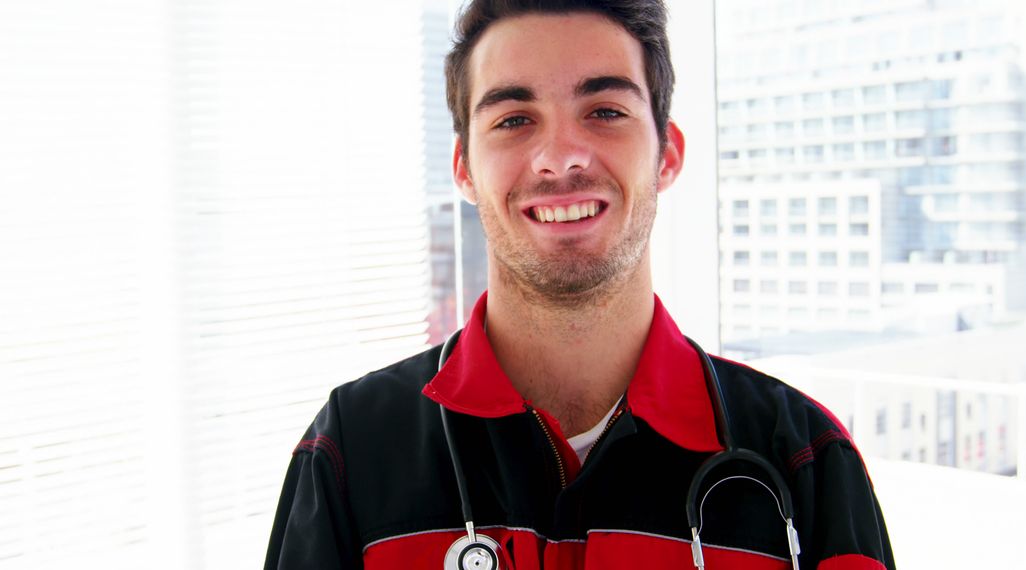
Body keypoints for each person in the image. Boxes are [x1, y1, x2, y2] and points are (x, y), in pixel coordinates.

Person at [264, 1, 895, 568]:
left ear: (667, 154)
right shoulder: (350, 448)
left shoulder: (807, 460)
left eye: (605, 111)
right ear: (464, 168)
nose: (560, 155)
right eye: (514, 120)